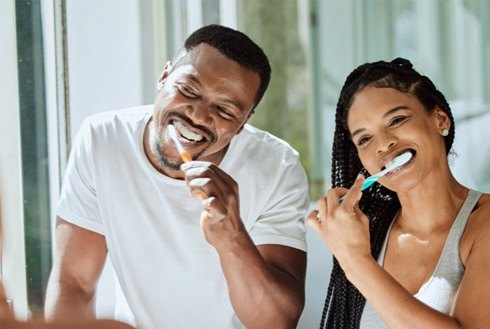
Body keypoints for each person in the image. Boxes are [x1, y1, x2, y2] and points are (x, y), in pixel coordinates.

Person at [45, 24, 309, 329]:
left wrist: (231, 237)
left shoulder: (277, 167)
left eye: (224, 110)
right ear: (164, 76)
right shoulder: (102, 139)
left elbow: (277, 323)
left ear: (242, 123)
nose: (197, 115)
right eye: (188, 90)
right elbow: (74, 283)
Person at [308, 58, 490, 328]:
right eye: (365, 139)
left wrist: (355, 260)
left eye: (396, 120)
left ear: (440, 120)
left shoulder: (482, 223)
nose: (383, 144)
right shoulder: (366, 234)